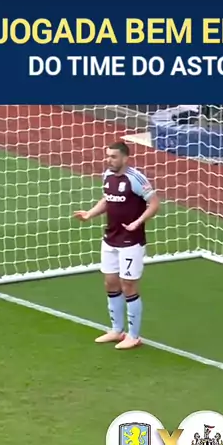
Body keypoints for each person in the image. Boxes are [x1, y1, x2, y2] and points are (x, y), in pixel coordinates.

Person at [73, 142, 160, 350]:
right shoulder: (107, 176)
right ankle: (116, 330)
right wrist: (89, 214)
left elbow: (155, 203)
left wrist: (138, 222)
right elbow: (107, 199)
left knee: (128, 285)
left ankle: (134, 336)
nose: (109, 160)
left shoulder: (135, 179)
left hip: (131, 241)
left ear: (125, 158)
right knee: (110, 282)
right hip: (110, 238)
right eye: (108, 156)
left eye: (113, 156)